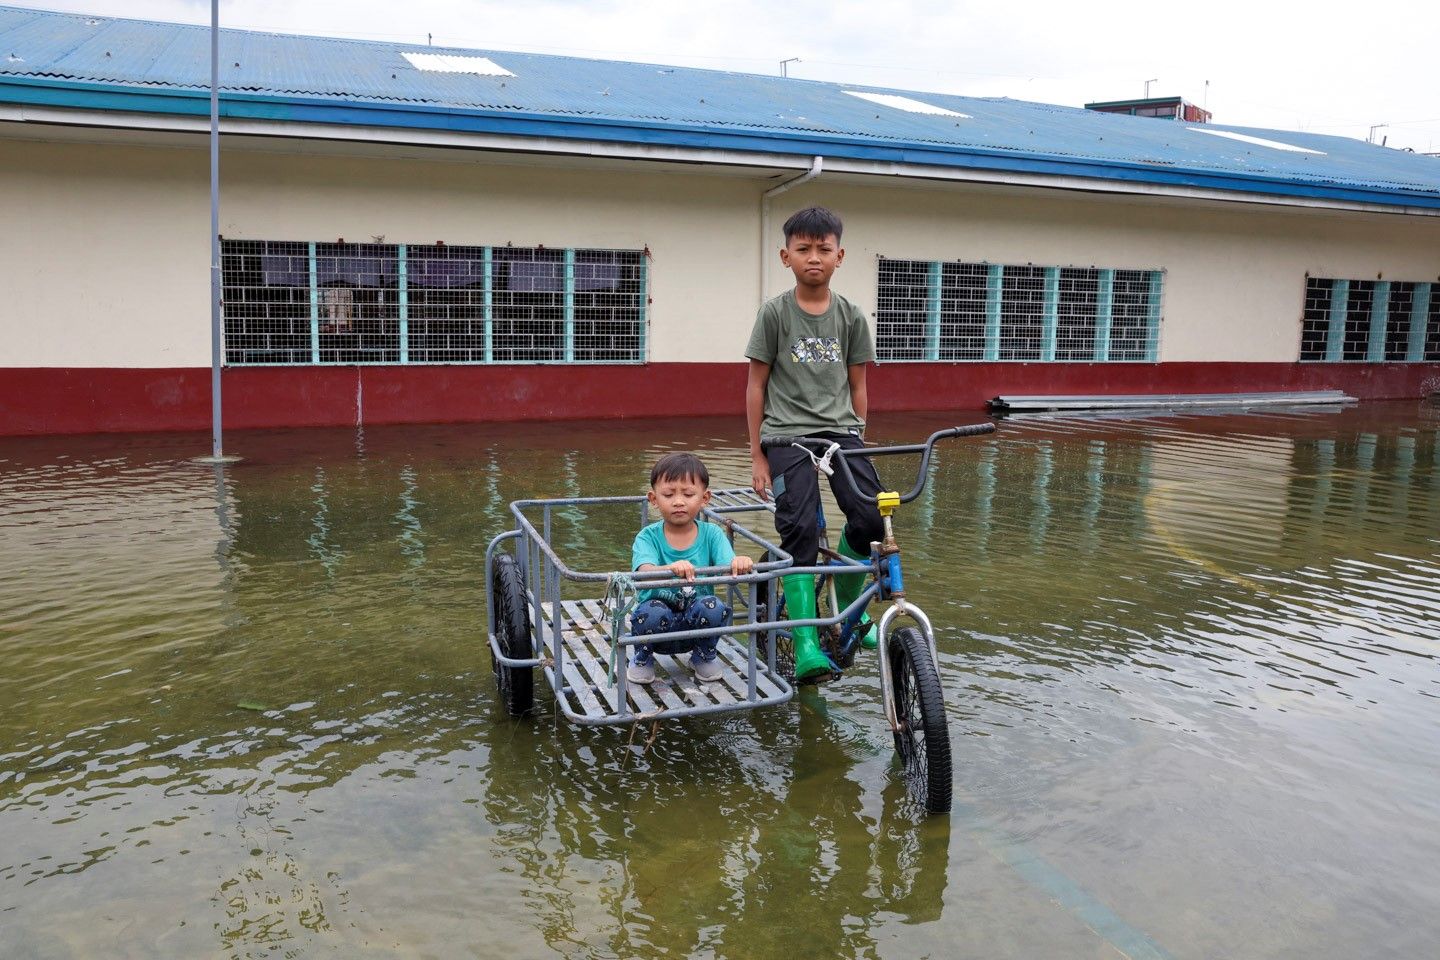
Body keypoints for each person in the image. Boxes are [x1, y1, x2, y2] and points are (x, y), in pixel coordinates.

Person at [745, 206, 884, 682]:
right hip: (785, 433)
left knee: (870, 517)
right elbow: (755, 387)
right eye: (803, 249)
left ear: (839, 256)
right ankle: (806, 642)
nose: (814, 258)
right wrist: (757, 453)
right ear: (786, 256)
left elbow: (858, 382)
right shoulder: (774, 313)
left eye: (823, 249)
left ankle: (849, 610)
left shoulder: (850, 317)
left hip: (841, 432)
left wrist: (859, 435)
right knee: (800, 530)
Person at [629, 452, 755, 684]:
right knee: (651, 611)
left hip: (698, 623)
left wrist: (740, 563)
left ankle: (703, 655)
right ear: (653, 499)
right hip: (656, 628)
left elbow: (729, 566)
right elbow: (643, 570)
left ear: (705, 498)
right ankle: (642, 657)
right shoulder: (647, 537)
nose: (678, 501)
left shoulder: (712, 534)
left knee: (715, 606)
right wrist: (669, 567)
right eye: (668, 494)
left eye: (688, 494)